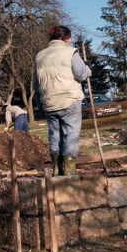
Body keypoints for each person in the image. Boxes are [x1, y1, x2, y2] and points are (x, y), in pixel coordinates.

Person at [35, 25, 91, 175]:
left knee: (55, 134)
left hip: (49, 102)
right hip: (69, 100)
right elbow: (80, 74)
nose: (71, 40)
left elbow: (36, 83)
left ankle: (56, 168)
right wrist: (87, 70)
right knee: (70, 135)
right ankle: (69, 171)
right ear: (65, 38)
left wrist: (40, 105)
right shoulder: (70, 51)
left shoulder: (40, 56)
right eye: (70, 38)